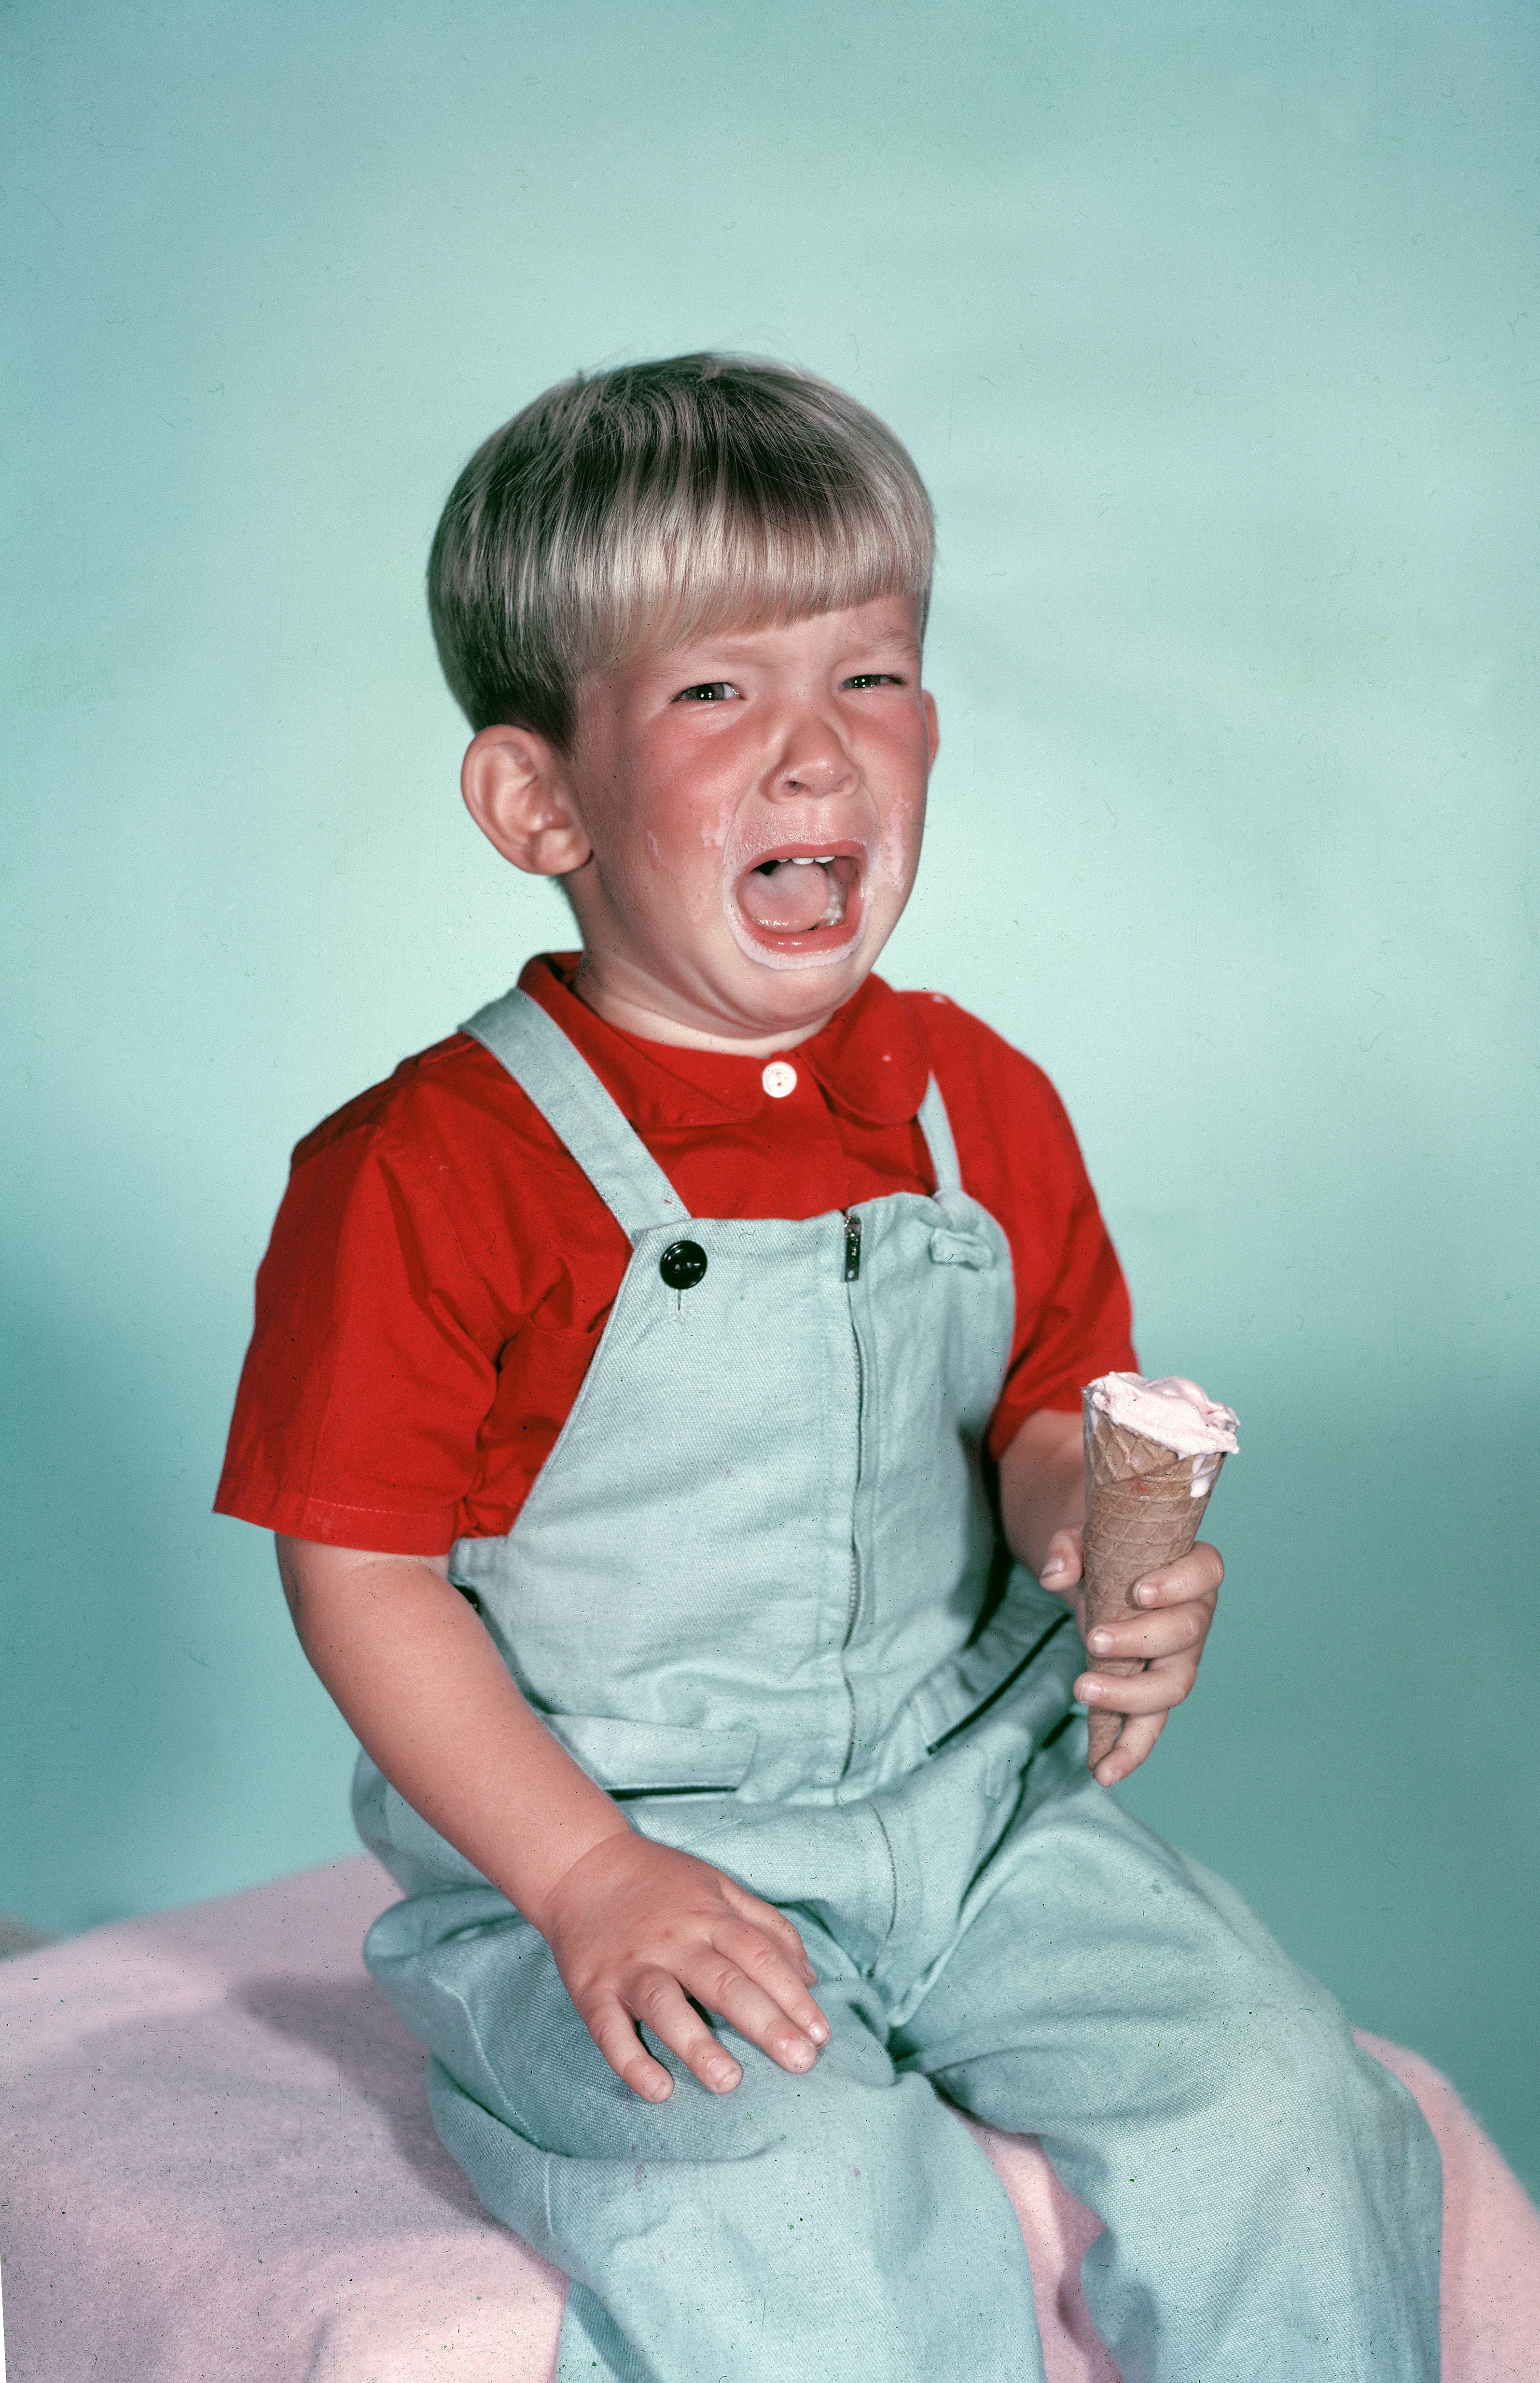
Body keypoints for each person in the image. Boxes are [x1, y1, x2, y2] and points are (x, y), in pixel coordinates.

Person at [216, 354, 1441, 2382]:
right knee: (802, 2220)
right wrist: (588, 1875)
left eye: (869, 677)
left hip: (980, 1815)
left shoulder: (978, 1098)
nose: (817, 757)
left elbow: (1049, 1405)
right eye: (716, 692)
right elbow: (362, 1571)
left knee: (1283, 2102)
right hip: (616, 1841)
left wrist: (1096, 1537)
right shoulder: (427, 1167)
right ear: (538, 799)